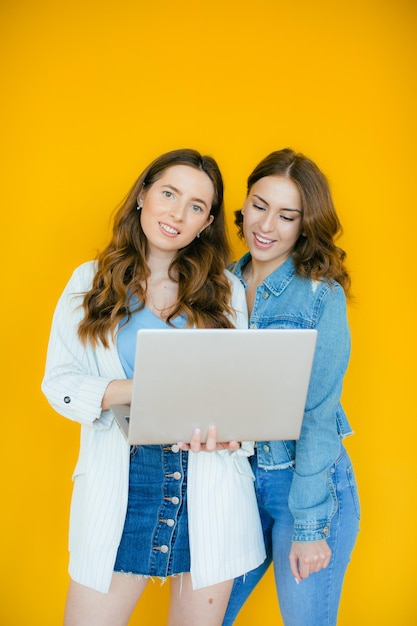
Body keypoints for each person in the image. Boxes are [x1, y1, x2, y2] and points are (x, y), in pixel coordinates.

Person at [41, 149, 265, 626]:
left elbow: (242, 393)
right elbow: (58, 382)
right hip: (124, 475)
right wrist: (138, 388)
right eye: (168, 193)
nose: (178, 213)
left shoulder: (224, 290)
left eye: (197, 206)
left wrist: (232, 436)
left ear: (206, 223)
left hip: (205, 480)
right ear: (143, 195)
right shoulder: (90, 280)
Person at [222, 149, 360, 626]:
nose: (267, 226)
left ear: (305, 224)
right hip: (235, 482)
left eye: (287, 215)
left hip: (305, 485)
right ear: (243, 202)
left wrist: (308, 525)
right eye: (259, 205)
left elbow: (319, 415)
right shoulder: (216, 286)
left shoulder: (321, 293)